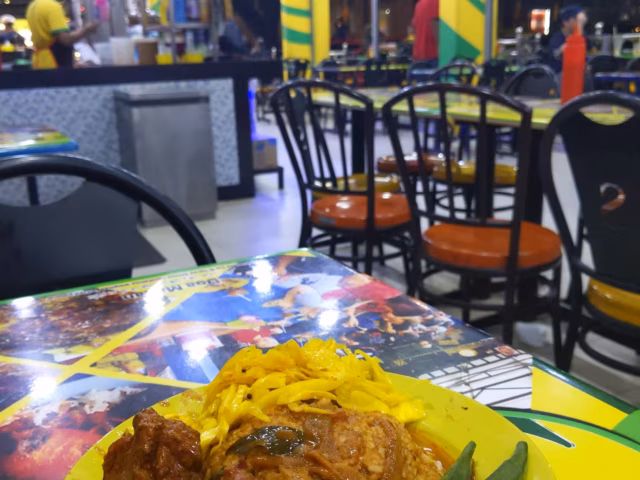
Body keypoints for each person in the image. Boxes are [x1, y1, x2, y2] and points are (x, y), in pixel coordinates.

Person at [26, 0, 99, 69]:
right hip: (54, 62)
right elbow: (65, 39)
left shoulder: (32, 6)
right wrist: (86, 29)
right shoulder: (52, 7)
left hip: (39, 61)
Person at [548, 4, 588, 73]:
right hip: (560, 75)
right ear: (565, 22)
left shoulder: (583, 36)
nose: (579, 22)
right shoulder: (557, 38)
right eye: (576, 19)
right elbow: (555, 55)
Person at [412, 0, 439, 65]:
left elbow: (414, 28)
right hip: (435, 55)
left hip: (419, 56)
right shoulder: (441, 3)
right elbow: (436, 26)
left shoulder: (419, 4)